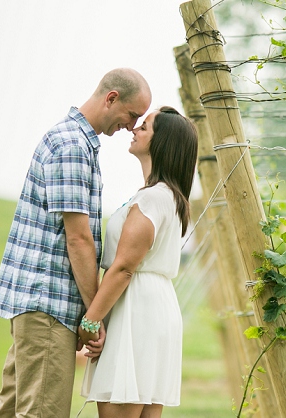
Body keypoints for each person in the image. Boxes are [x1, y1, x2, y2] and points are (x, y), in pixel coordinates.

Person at [0, 68, 152, 418]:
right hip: (48, 305)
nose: (131, 125)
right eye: (132, 115)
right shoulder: (72, 146)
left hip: (36, 304)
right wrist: (93, 317)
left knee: (12, 410)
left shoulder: (72, 141)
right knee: (41, 413)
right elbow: (79, 239)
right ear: (111, 98)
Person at [78, 106, 198, 418]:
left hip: (137, 312)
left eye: (144, 127)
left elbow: (123, 267)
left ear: (161, 143)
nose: (135, 129)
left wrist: (90, 322)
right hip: (156, 308)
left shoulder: (153, 198)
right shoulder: (167, 196)